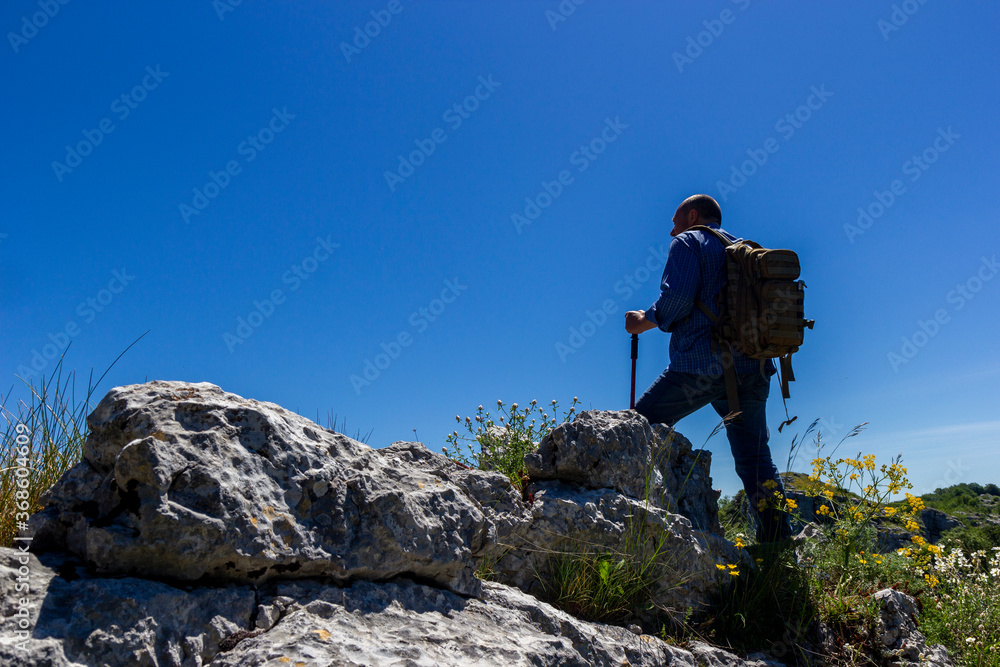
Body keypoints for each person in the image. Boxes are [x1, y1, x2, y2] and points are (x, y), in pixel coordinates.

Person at [624, 194, 792, 544]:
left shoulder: (689, 242)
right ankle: (778, 547)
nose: (672, 231)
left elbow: (676, 301)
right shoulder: (743, 248)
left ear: (692, 215)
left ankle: (624, 523)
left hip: (701, 367)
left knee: (635, 427)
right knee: (755, 459)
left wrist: (641, 320)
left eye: (674, 222)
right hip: (754, 366)